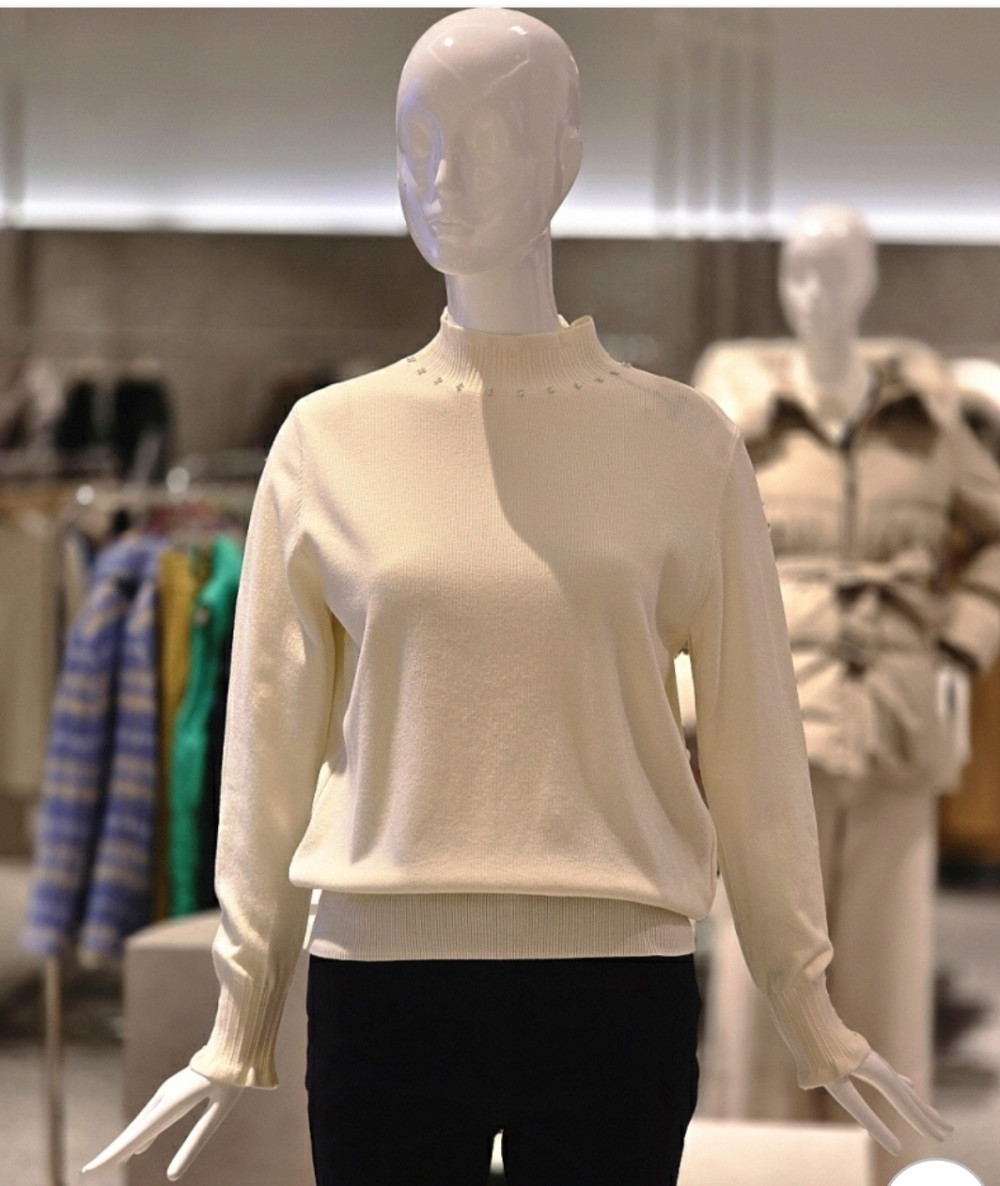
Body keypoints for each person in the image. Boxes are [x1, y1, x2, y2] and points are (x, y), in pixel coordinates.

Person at [84, 14, 948, 1186]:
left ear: (565, 155)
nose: (442, 176)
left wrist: (807, 1001)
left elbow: (756, 746)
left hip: (615, 992)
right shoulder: (327, 443)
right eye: (416, 141)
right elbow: (266, 758)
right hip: (383, 994)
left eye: (486, 137)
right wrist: (241, 1012)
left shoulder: (685, 444)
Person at [694, 203, 1000, 1182]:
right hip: (768, 726)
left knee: (884, 981)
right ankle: (758, 1170)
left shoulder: (929, 424)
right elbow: (679, 559)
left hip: (897, 724)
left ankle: (884, 1173)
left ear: (869, 280)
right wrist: (690, 691)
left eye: (835, 269)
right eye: (798, 270)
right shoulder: (732, 422)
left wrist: (957, 649)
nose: (815, 291)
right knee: (760, 981)